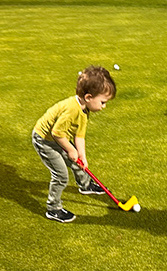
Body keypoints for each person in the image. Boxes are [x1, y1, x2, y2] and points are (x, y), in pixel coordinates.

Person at [31, 66, 116, 223]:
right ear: (89, 97)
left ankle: (85, 185)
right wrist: (71, 150)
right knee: (61, 175)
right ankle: (53, 208)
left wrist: (81, 155)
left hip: (57, 137)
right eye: (103, 102)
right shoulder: (72, 109)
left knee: (77, 160)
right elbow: (57, 132)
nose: (104, 107)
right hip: (44, 140)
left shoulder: (85, 109)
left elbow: (79, 135)